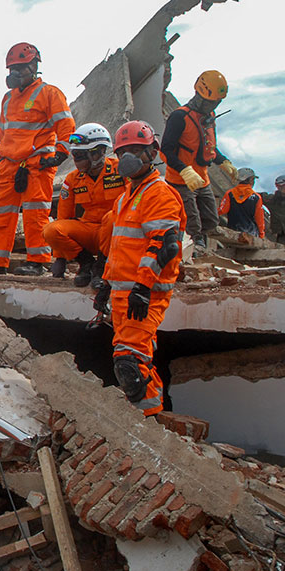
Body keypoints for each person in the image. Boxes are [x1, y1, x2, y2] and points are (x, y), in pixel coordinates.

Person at [94, 121, 185, 417]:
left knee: (129, 363)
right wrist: (106, 285)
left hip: (145, 295)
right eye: (123, 153)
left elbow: (165, 245)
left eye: (136, 150)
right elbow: (119, 249)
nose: (128, 158)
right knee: (134, 361)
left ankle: (150, 421)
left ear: (153, 152)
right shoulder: (126, 197)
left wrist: (143, 287)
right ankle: (149, 413)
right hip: (125, 296)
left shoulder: (159, 193)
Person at [0, 42, 76, 276]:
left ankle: (37, 261)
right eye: (12, 69)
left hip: (37, 163)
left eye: (20, 68)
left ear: (34, 66)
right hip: (9, 164)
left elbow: (66, 124)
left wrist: (61, 152)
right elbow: (3, 131)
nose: (15, 73)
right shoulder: (7, 99)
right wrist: (2, 155)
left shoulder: (49, 93)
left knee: (35, 213)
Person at [160, 70, 239, 250]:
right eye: (212, 102)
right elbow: (165, 150)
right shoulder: (179, 118)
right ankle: (192, 249)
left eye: (217, 102)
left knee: (211, 219)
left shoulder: (208, 117)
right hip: (181, 181)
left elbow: (208, 145)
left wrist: (223, 161)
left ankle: (200, 245)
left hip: (202, 179)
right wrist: (184, 170)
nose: (215, 105)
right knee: (192, 221)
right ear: (200, 95)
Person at [42, 123, 124, 287]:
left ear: (98, 152)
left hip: (116, 233)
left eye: (81, 155)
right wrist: (60, 257)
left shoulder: (120, 171)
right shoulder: (73, 179)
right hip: (90, 231)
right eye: (75, 155)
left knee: (112, 218)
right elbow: (64, 216)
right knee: (51, 230)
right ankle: (86, 264)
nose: (77, 161)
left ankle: (102, 268)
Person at [219, 168, 265, 238]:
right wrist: (261, 234)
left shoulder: (229, 194)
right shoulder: (256, 197)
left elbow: (222, 210)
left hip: (232, 233)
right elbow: (259, 218)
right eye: (253, 179)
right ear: (250, 180)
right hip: (251, 234)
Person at [265, 174, 285, 244]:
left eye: (283, 186)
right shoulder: (272, 200)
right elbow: (256, 196)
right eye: (279, 186)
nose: (281, 188)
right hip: (281, 235)